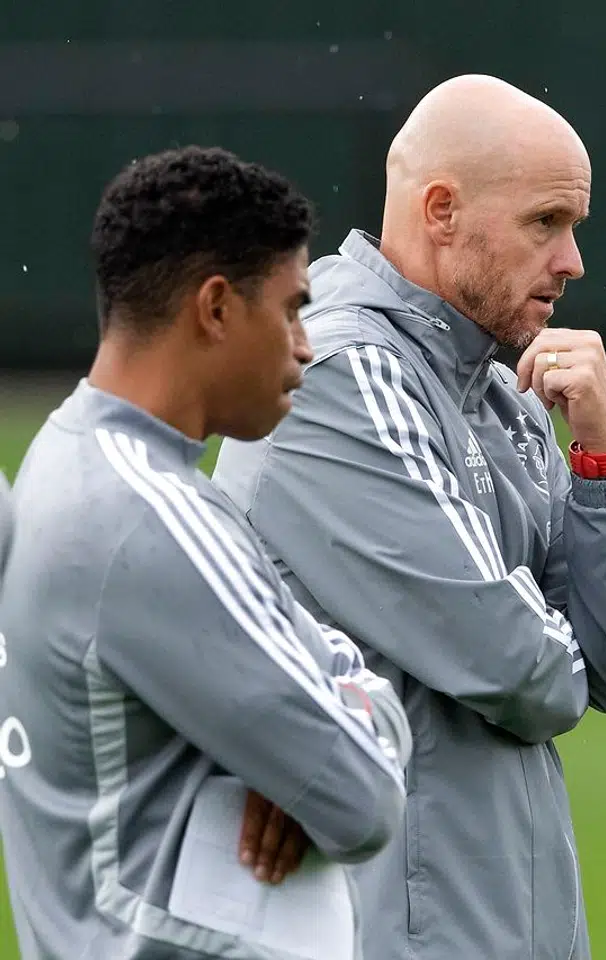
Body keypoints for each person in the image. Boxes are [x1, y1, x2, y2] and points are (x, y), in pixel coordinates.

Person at [210, 75, 606, 959]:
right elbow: (526, 672)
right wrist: (556, 627)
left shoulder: (496, 392)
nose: (573, 260)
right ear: (440, 211)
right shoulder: (343, 376)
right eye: (546, 223)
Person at [0, 146, 412, 960]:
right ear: (216, 308)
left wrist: (310, 743)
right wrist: (331, 727)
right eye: (292, 309)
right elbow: (366, 795)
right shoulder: (150, 518)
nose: (304, 345)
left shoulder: (73, 458)